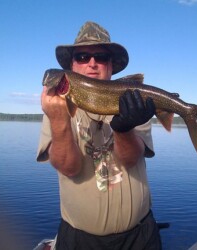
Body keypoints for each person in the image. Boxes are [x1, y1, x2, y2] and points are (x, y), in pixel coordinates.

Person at [37, 21, 161, 250]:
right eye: (82, 57)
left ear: (111, 65)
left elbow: (131, 159)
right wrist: (57, 118)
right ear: (71, 66)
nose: (92, 63)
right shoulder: (57, 107)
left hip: (139, 237)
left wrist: (124, 129)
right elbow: (69, 167)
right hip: (78, 240)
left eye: (101, 57)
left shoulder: (133, 103)